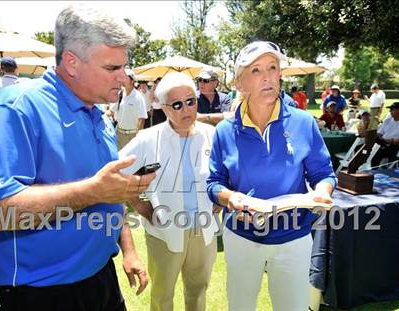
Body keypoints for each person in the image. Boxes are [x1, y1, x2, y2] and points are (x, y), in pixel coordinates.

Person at [0, 4, 157, 311]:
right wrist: (90, 192)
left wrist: (127, 249)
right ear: (72, 62)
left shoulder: (98, 112)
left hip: (101, 277)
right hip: (40, 293)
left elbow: (107, 191)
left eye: (124, 67)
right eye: (112, 68)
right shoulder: (15, 109)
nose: (124, 78)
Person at [207, 40, 336, 311]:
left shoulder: (303, 122)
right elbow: (214, 183)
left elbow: (324, 173)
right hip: (241, 237)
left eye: (272, 68)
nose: (267, 76)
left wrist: (323, 191)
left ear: (280, 75)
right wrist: (230, 197)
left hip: (294, 237)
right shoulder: (224, 131)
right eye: (255, 70)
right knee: (240, 306)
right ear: (239, 84)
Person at [119, 72, 217, 311]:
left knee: (198, 291)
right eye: (177, 104)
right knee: (163, 296)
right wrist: (142, 206)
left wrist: (220, 202)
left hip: (204, 230)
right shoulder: (147, 139)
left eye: (191, 101)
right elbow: (116, 176)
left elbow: (228, 174)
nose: (186, 109)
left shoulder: (211, 135)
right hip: (164, 231)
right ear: (163, 107)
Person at [111, 68, 148, 149]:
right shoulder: (120, 94)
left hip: (132, 135)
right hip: (119, 133)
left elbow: (141, 119)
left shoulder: (138, 97)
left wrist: (137, 137)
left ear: (132, 81)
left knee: (132, 160)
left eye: (126, 78)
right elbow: (112, 110)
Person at [371, 102, 399, 168]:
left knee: (392, 163)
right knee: (374, 160)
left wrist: (391, 141)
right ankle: (374, 175)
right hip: (383, 144)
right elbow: (379, 133)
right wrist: (382, 140)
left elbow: (396, 142)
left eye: (392, 109)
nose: (390, 111)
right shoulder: (387, 120)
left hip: (395, 147)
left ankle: (391, 175)